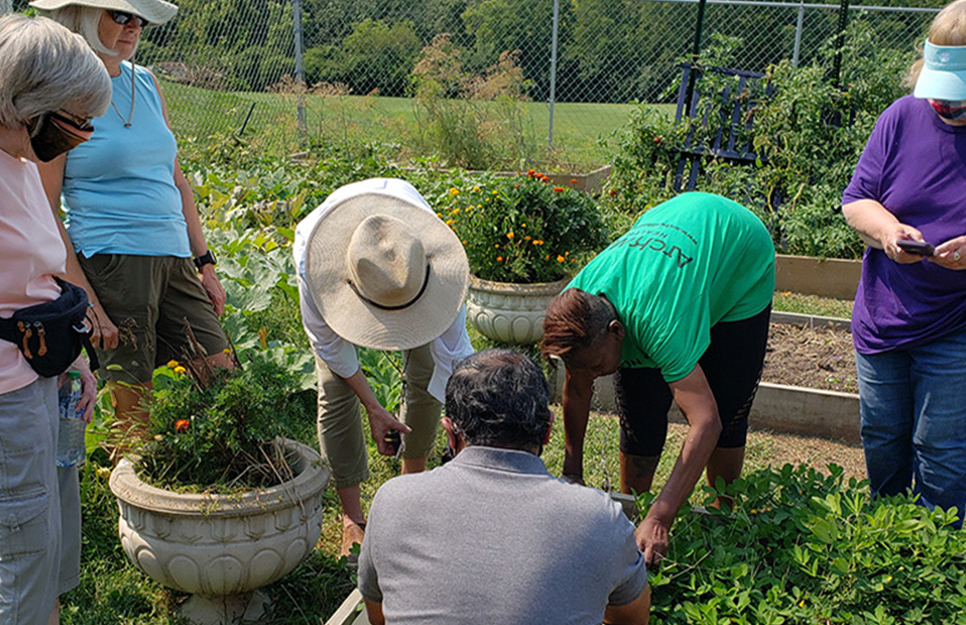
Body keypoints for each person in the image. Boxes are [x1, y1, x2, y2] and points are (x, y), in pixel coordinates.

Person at [31, 0, 234, 448]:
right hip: (112, 259)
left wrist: (205, 262)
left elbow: (176, 179)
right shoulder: (64, 93)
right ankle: (133, 506)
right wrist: (85, 299)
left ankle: (219, 483)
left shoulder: (147, 83)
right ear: (84, 16)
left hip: (175, 255)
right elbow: (45, 208)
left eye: (138, 18)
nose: (133, 26)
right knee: (133, 408)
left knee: (222, 379)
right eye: (119, 15)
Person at [542, 191, 775, 564]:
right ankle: (633, 516)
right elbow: (578, 387)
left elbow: (706, 421)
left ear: (617, 331)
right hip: (673, 245)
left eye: (597, 366)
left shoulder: (657, 323)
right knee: (639, 415)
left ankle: (721, 515)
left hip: (738, 255)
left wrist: (662, 516)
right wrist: (571, 472)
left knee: (727, 405)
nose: (592, 376)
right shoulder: (578, 311)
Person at [357, 349, 651, 625]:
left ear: (450, 433)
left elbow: (379, 615)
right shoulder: (599, 517)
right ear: (548, 430)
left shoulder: (393, 501)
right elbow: (632, 619)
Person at [0, 14, 111, 624]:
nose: (81, 135)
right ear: (28, 104)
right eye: (74, 120)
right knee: (25, 553)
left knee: (46, 539)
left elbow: (41, 273)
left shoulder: (19, 159)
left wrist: (73, 355)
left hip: (37, 371)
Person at [840, 0, 966, 529]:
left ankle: (934, 568)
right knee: (882, 438)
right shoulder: (901, 117)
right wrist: (888, 231)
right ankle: (888, 548)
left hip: (961, 325)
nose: (945, 104)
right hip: (885, 316)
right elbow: (858, 200)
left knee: (941, 450)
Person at [294, 177, 474, 559]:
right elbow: (331, 349)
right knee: (335, 388)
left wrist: (464, 439)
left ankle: (413, 487)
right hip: (337, 260)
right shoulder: (313, 262)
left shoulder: (437, 270)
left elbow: (454, 358)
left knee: (425, 369)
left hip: (409, 243)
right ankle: (352, 519)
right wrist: (374, 408)